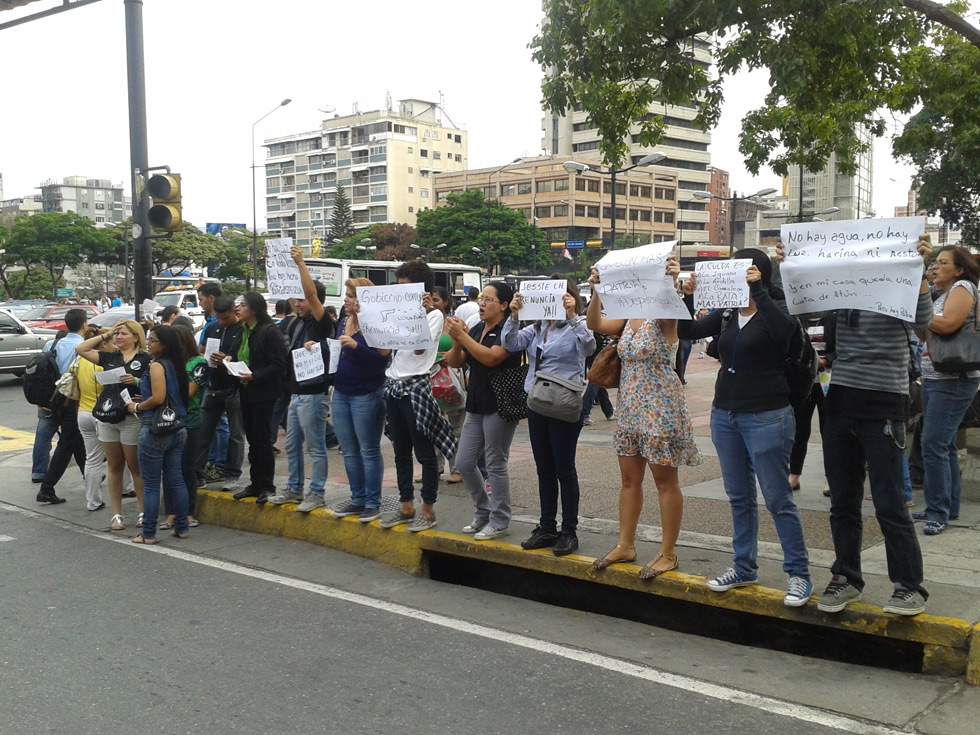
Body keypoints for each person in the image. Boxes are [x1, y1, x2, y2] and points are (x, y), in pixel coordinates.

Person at [776, 234, 934, 616]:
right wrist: (791, 265)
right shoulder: (840, 293)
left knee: (889, 502)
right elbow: (800, 309)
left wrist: (921, 272)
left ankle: (908, 586)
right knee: (843, 502)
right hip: (841, 403)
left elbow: (925, 323)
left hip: (884, 406)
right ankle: (846, 577)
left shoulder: (898, 289)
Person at [679, 251, 813, 607]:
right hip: (726, 414)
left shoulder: (777, 309)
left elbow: (785, 334)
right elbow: (686, 331)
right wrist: (689, 295)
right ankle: (743, 566)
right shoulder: (726, 313)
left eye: (741, 269)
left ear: (758, 274)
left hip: (768, 415)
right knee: (739, 497)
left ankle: (799, 574)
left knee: (777, 499)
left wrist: (760, 293)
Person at [586, 258, 702, 579]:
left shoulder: (664, 318)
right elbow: (594, 323)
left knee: (665, 482)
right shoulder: (629, 318)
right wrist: (596, 289)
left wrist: (670, 281)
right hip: (631, 407)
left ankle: (667, 553)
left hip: (661, 407)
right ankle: (626, 544)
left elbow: (669, 313)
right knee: (628, 480)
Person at [503, 278, 594, 555]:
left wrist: (572, 317)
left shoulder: (577, 325)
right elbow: (510, 343)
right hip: (537, 402)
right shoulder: (537, 328)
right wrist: (514, 317)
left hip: (564, 403)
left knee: (564, 468)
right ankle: (546, 526)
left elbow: (589, 348)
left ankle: (568, 531)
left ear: (570, 297)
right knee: (544, 468)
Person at [378, 260, 457, 532]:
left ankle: (428, 508)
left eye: (405, 288)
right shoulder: (396, 312)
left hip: (417, 388)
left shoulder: (434, 315)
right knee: (400, 452)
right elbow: (384, 349)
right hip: (394, 386)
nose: (400, 293)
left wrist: (421, 312)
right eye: (397, 288)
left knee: (424, 453)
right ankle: (405, 505)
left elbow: (422, 349)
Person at [444, 281, 523, 540]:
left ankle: (500, 520)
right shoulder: (477, 328)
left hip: (500, 404)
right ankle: (483, 511)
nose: (481, 303)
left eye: (488, 299)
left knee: (495, 463)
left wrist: (462, 335)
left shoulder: (508, 330)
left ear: (503, 305)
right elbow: (456, 361)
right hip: (476, 402)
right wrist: (457, 340)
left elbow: (491, 357)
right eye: (481, 299)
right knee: (465, 462)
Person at [264, 248, 336, 512]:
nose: (298, 304)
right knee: (293, 445)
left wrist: (300, 263)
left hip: (314, 395)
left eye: (303, 300)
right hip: (295, 394)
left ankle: (316, 492)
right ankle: (295, 489)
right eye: (296, 300)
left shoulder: (322, 322)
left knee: (315, 447)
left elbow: (312, 296)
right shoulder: (295, 324)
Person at [914, 246, 980, 535]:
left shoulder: (964, 287)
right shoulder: (942, 295)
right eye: (934, 262)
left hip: (954, 378)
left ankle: (937, 511)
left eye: (942, 263)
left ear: (959, 269)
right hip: (935, 378)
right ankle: (946, 506)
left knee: (933, 444)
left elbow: (950, 324)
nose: (935, 267)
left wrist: (916, 314)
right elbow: (925, 331)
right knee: (945, 444)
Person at [327, 278, 391, 521]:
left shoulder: (375, 323)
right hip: (342, 392)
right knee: (350, 450)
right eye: (346, 295)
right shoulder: (344, 321)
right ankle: (357, 498)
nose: (346, 300)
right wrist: (319, 348)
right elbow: (338, 351)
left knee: (369, 450)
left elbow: (382, 361)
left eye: (351, 295)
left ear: (363, 299)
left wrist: (357, 346)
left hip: (367, 393)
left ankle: (372, 502)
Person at [75, 320, 148, 530]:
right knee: (114, 466)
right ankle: (116, 515)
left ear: (136, 337)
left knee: (135, 467)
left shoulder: (145, 358)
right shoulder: (110, 357)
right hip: (107, 415)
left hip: (131, 417)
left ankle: (143, 512)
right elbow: (81, 348)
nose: (118, 337)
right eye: (116, 334)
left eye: (123, 333)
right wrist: (106, 335)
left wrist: (135, 381)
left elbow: (156, 383)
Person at [125, 324, 190, 544]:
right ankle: (182, 527)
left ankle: (148, 533)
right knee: (176, 480)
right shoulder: (177, 365)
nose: (149, 343)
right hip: (177, 427)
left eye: (152, 340)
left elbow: (159, 398)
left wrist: (138, 407)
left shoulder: (156, 366)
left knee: (151, 484)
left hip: (155, 429)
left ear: (163, 345)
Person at [231, 292, 286, 504]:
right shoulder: (242, 331)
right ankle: (255, 483)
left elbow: (277, 365)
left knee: (262, 439)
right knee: (252, 439)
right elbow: (241, 355)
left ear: (254, 309)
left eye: (242, 305)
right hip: (245, 390)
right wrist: (229, 360)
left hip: (264, 392)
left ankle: (267, 485)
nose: (238, 308)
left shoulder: (268, 332)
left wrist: (255, 376)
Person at [35, 309, 89, 504]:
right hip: (74, 400)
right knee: (68, 442)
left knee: (75, 440)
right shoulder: (84, 346)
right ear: (84, 324)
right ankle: (46, 488)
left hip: (55, 399)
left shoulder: (53, 343)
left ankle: (89, 477)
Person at [195, 296, 246, 492]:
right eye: (219, 318)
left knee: (235, 434)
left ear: (234, 312)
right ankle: (198, 473)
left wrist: (227, 360)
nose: (222, 322)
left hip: (233, 387)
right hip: (212, 385)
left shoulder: (242, 329)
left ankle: (232, 474)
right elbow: (200, 351)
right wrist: (207, 358)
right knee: (203, 432)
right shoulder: (212, 328)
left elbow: (245, 356)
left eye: (226, 318)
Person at [159, 326, 206, 530]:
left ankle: (187, 512)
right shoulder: (165, 363)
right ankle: (170, 512)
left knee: (187, 469)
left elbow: (189, 392)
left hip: (190, 421)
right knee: (168, 470)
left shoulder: (198, 363)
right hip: (168, 421)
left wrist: (162, 389)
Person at [789, 313, 836, 496]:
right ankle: (794, 474)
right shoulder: (797, 319)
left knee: (829, 430)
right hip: (803, 382)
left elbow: (841, 347)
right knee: (799, 430)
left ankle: (830, 477)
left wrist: (827, 360)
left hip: (827, 379)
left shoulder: (833, 318)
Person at [429, 286, 465, 484]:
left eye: (436, 300)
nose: (433, 304)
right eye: (430, 300)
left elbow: (462, 347)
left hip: (450, 378)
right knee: (432, 425)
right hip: (429, 378)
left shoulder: (453, 324)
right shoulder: (423, 323)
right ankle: (434, 467)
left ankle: (457, 468)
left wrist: (448, 356)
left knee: (455, 425)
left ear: (445, 302)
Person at [75, 326, 113, 512]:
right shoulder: (104, 363)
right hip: (103, 414)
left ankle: (93, 501)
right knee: (117, 458)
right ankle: (127, 488)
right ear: (104, 343)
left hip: (83, 412)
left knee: (92, 459)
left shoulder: (80, 361)